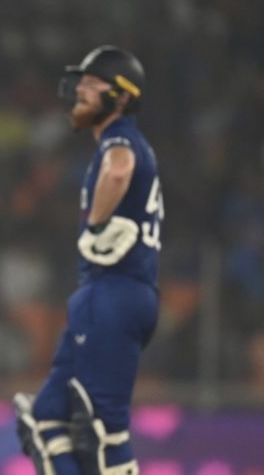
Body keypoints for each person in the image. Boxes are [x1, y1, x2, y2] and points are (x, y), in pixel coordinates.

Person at [13, 46, 162, 475]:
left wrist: (96, 225)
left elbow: (119, 170)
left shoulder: (121, 138)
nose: (79, 89)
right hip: (109, 295)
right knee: (45, 420)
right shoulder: (121, 140)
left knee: (101, 431)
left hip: (113, 291)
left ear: (120, 96)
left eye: (92, 83)